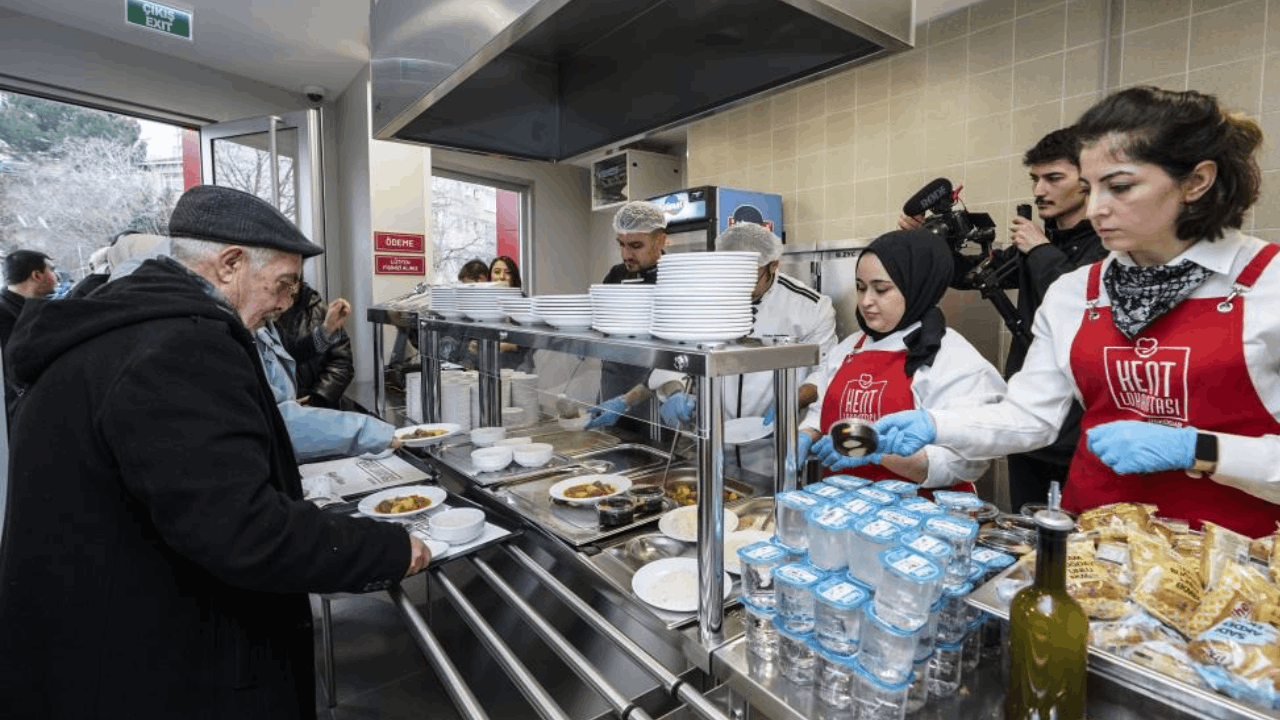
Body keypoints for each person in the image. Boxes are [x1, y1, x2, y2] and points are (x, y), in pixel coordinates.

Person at [0, 185, 429, 718]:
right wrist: (383, 549)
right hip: (147, 667)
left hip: (90, 641)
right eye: (282, 285)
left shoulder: (126, 329)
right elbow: (242, 529)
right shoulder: (181, 346)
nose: (281, 305)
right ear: (229, 264)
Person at [869, 87, 1280, 536]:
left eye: (1119, 186)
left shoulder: (1267, 282)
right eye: (1090, 188)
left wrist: (1200, 449)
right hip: (1095, 542)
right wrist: (936, 423)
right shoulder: (1075, 292)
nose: (1097, 207)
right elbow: (1031, 418)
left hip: (1238, 562)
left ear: (1195, 182)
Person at [901, 128, 1107, 511]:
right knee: (1028, 524)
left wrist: (1041, 250)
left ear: (1087, 181)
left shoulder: (1106, 248)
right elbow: (972, 275)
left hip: (1079, 428)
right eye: (1035, 179)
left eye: (1053, 178)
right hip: (1025, 415)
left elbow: (1082, 302)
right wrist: (928, 243)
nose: (1039, 190)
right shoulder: (1036, 244)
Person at [799, 229, 1007, 490]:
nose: (866, 301)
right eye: (861, 288)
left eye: (881, 289)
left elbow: (965, 462)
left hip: (921, 516)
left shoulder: (951, 357)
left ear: (916, 287)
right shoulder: (850, 348)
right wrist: (807, 434)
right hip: (841, 511)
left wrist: (877, 451)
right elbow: (822, 413)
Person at [657, 223, 837, 476]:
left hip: (771, 449)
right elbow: (675, 348)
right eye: (730, 271)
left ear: (774, 265)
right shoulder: (703, 298)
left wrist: (793, 399)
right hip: (710, 441)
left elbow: (826, 371)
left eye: (748, 274)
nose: (736, 283)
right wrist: (674, 388)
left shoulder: (811, 307)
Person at [588, 200, 670, 429]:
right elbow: (600, 322)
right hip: (613, 382)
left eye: (635, 245)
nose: (626, 255)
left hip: (652, 388)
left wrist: (631, 399)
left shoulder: (673, 277)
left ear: (660, 240)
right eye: (621, 245)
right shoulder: (615, 274)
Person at [276, 281, 356, 409]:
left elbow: (342, 363)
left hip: (317, 407)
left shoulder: (322, 312)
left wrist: (317, 399)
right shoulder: (263, 317)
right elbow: (285, 357)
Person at [0, 249, 56, 419]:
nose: (56, 276)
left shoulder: (26, 308)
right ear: (37, 276)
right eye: (51, 270)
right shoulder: (5, 315)